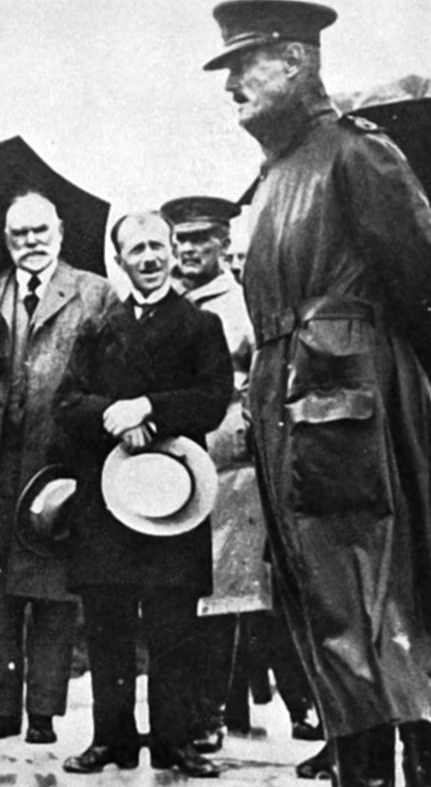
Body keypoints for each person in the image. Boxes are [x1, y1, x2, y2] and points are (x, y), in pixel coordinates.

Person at [202, 2, 431, 785]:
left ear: (293, 61)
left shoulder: (354, 152)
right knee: (319, 600)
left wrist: (400, 378)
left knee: (364, 595)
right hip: (295, 405)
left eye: (243, 67)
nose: (231, 88)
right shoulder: (275, 174)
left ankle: (391, 768)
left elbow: (426, 275)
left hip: (348, 404)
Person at [54, 210, 233, 778]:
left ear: (174, 252)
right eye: (138, 250)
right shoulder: (97, 328)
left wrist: (151, 411)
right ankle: (112, 738)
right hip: (108, 500)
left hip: (173, 496)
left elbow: (211, 399)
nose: (151, 258)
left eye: (160, 246)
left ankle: (174, 743)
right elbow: (66, 403)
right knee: (107, 624)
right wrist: (112, 414)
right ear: (120, 259)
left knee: (172, 628)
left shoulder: (199, 325)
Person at [0, 190, 120, 745]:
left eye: (38, 232)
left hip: (61, 463)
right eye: (17, 235)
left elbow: (110, 376)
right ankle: (3, 710)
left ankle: (44, 715)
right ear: (6, 239)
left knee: (55, 590)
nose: (29, 243)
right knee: (0, 588)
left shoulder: (96, 293)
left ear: (60, 232)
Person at [160, 195, 263, 755]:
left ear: (225, 243)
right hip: (172, 459)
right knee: (175, 586)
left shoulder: (242, 305)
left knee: (222, 591)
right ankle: (178, 711)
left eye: (202, 239)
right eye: (182, 240)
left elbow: (260, 376)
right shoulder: (168, 303)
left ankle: (211, 714)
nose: (189, 250)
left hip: (226, 460)